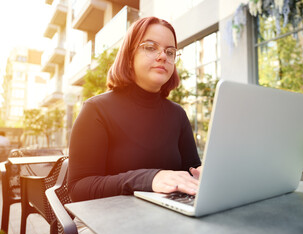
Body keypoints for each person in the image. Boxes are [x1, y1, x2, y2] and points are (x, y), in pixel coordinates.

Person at [68, 16, 203, 205]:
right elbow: (78, 189)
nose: (163, 56)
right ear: (129, 55)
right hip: (108, 219)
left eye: (170, 51)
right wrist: (148, 179)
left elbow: (191, 170)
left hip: (170, 215)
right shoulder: (96, 110)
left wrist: (203, 173)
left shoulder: (178, 114)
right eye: (150, 47)